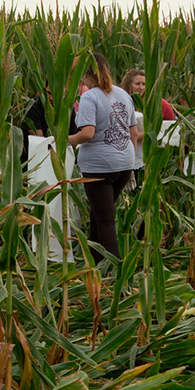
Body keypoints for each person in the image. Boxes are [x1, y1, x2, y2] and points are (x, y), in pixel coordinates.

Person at [68, 52, 139, 264]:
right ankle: (96, 264)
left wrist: (66, 139)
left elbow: (87, 133)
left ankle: (115, 270)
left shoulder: (90, 96)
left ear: (85, 73)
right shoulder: (122, 94)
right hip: (124, 165)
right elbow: (133, 132)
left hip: (100, 167)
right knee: (97, 216)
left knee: (106, 220)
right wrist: (130, 160)